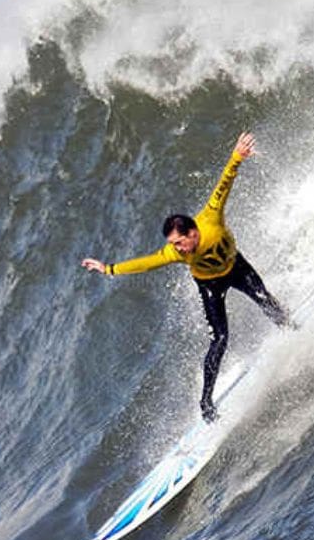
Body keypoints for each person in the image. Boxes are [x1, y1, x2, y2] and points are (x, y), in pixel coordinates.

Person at [81, 132, 292, 423]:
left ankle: (292, 328)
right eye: (172, 244)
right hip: (209, 285)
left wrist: (236, 156)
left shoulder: (211, 218)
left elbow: (224, 184)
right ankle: (206, 402)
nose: (175, 249)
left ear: (192, 233)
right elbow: (145, 263)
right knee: (219, 339)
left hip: (236, 267)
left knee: (264, 299)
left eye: (179, 242)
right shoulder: (175, 253)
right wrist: (109, 269)